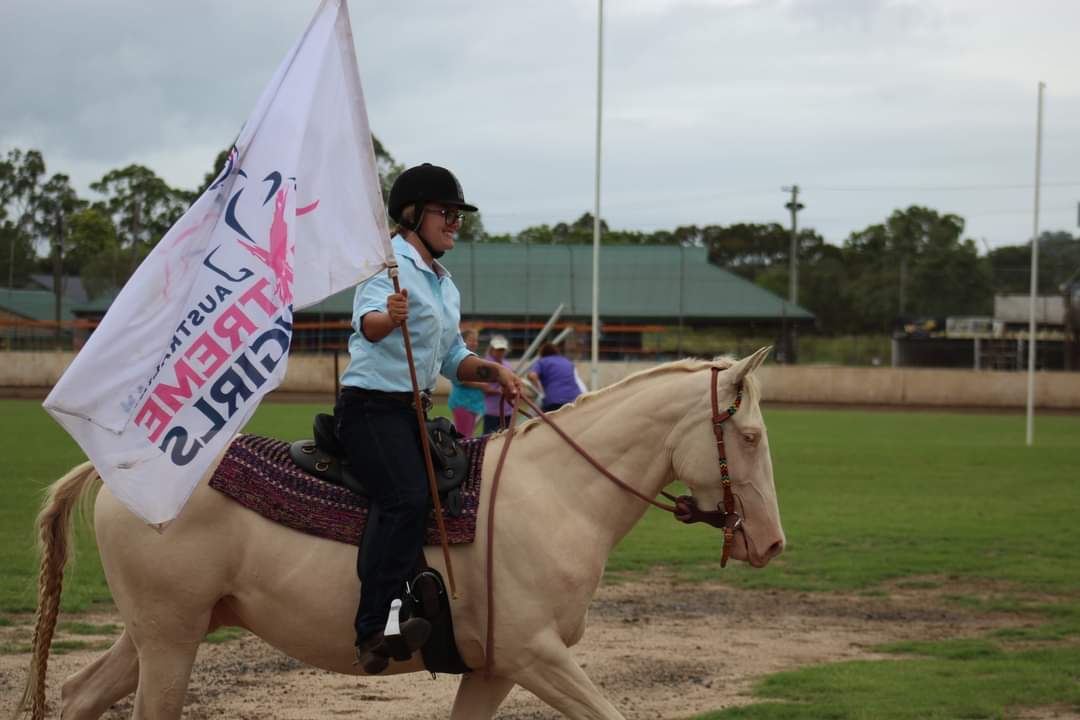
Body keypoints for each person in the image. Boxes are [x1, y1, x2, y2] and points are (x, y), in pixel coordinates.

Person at [335, 163, 521, 673]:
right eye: (446, 212)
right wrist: (386, 318)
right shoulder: (386, 263)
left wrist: (492, 372)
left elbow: (451, 358)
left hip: (413, 412)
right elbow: (367, 325)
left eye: (459, 214)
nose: (455, 222)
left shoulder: (443, 282)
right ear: (412, 214)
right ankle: (373, 628)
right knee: (406, 496)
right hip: (371, 408)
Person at [447, 327, 485, 437]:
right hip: (462, 403)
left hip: (472, 404)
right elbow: (462, 380)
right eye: (471, 340)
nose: (474, 343)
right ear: (463, 342)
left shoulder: (474, 358)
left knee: (468, 434)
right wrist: (483, 385)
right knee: (464, 436)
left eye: (476, 340)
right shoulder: (460, 359)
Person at [527, 342, 586, 412]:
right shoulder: (566, 361)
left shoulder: (542, 362)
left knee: (536, 416)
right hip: (574, 399)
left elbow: (532, 375)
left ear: (542, 353)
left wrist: (539, 389)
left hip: (554, 400)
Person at [481, 334, 514, 434]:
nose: (500, 352)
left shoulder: (506, 364)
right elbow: (484, 387)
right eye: (498, 349)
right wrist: (500, 391)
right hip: (492, 410)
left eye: (502, 349)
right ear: (491, 349)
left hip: (507, 410)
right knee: (489, 440)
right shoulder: (486, 363)